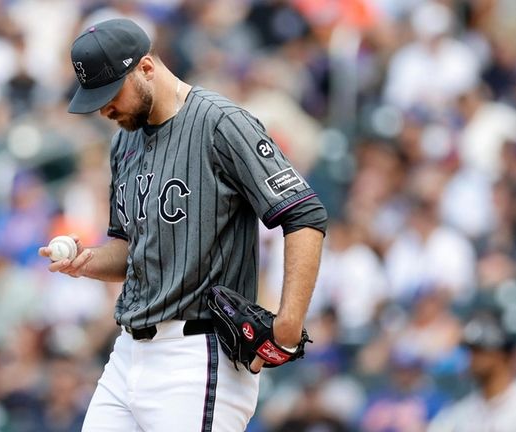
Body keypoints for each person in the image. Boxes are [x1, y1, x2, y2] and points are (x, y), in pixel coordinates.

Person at [40, 18, 327, 431]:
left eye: (110, 93)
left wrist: (289, 321)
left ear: (146, 68)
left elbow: (304, 213)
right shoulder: (125, 141)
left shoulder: (221, 123)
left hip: (198, 356)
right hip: (127, 354)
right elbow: (129, 249)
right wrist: (86, 261)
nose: (104, 109)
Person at [427, 313, 516, 432]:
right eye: (471, 351)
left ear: (503, 355)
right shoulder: (461, 411)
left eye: (480, 350)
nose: (472, 358)